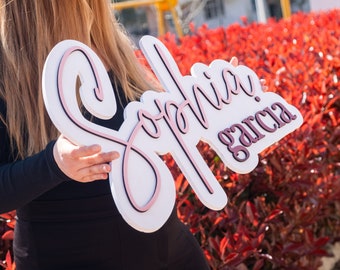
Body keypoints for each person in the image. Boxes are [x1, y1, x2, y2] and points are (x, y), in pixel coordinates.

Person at [0, 1, 211, 269]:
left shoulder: (108, 42)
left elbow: (162, 126)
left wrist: (224, 105)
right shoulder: (6, 69)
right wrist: (53, 164)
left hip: (168, 251)